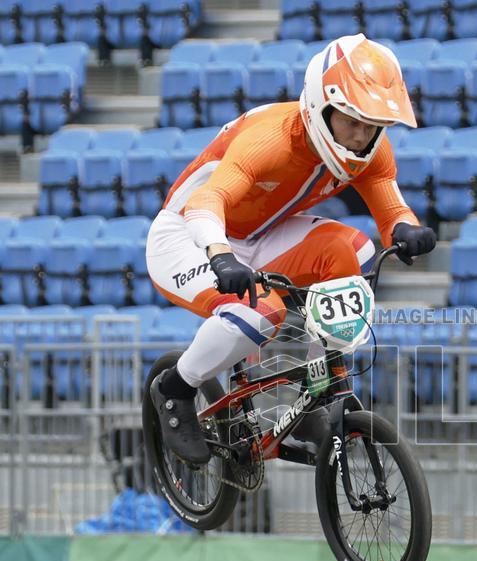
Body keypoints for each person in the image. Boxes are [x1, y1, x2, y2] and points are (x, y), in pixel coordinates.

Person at [146, 33, 437, 465]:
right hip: (189, 232)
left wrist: (406, 229)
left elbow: (391, 207)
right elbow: (208, 201)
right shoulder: (273, 139)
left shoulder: (373, 147)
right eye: (351, 120)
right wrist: (220, 253)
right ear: (322, 107)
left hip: (261, 234)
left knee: (354, 252)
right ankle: (177, 388)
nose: (361, 136)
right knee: (260, 313)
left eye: (372, 124)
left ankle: (317, 392)